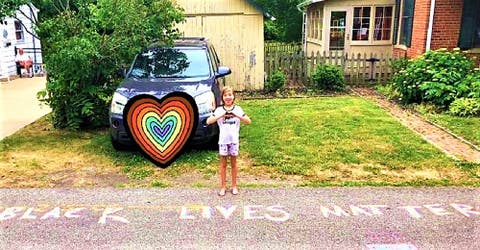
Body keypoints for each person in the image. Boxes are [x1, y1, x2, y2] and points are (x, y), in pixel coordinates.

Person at [207, 86, 251, 196]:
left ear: (233, 97)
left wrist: (237, 115)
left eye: (230, 95)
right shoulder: (219, 110)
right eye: (225, 95)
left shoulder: (238, 109)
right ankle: (223, 187)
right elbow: (209, 121)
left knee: (234, 164)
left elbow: (248, 121)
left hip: (234, 140)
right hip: (223, 141)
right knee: (223, 164)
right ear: (222, 98)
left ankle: (234, 186)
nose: (228, 97)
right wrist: (221, 115)